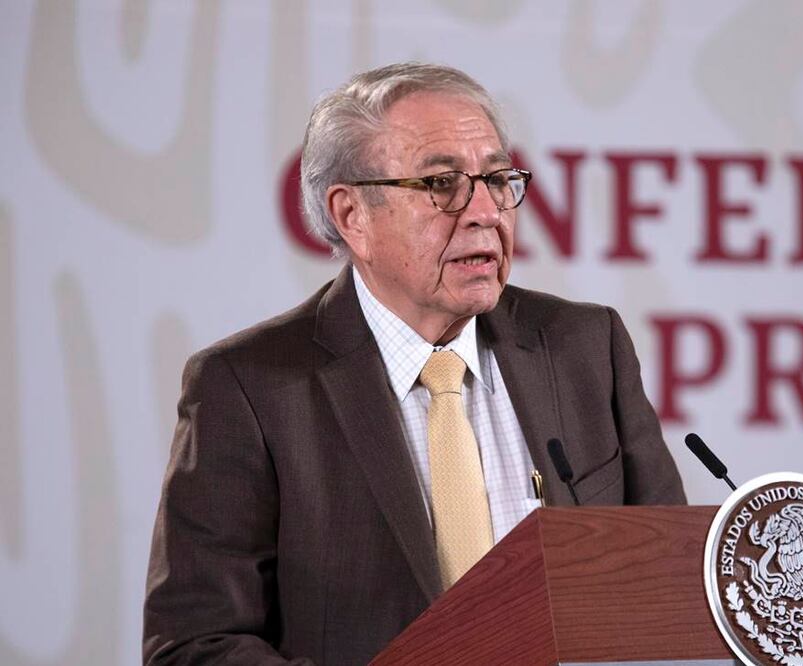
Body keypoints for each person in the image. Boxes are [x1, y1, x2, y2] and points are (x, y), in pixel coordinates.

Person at [143, 62, 686, 665]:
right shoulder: (249, 388)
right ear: (352, 216)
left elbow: (674, 584)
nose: (486, 212)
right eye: (442, 184)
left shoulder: (584, 346)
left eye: (497, 179)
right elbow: (196, 646)